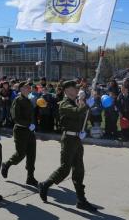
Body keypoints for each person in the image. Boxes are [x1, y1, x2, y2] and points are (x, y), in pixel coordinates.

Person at [38, 80, 97, 212]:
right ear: (67, 90)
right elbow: (76, 112)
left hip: (77, 138)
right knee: (65, 169)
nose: (76, 90)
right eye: (74, 88)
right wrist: (86, 105)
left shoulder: (75, 102)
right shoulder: (64, 104)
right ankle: (45, 185)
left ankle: (81, 200)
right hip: (69, 139)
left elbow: (81, 117)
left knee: (79, 170)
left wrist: (83, 130)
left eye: (76, 88)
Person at [1, 81, 38, 187]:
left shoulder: (29, 100)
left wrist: (33, 125)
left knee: (32, 154)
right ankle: (6, 165)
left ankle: (30, 177)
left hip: (30, 131)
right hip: (21, 131)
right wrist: (28, 125)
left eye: (29, 87)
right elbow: (15, 118)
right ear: (21, 89)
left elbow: (31, 116)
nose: (28, 88)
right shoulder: (18, 100)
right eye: (26, 87)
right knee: (20, 154)